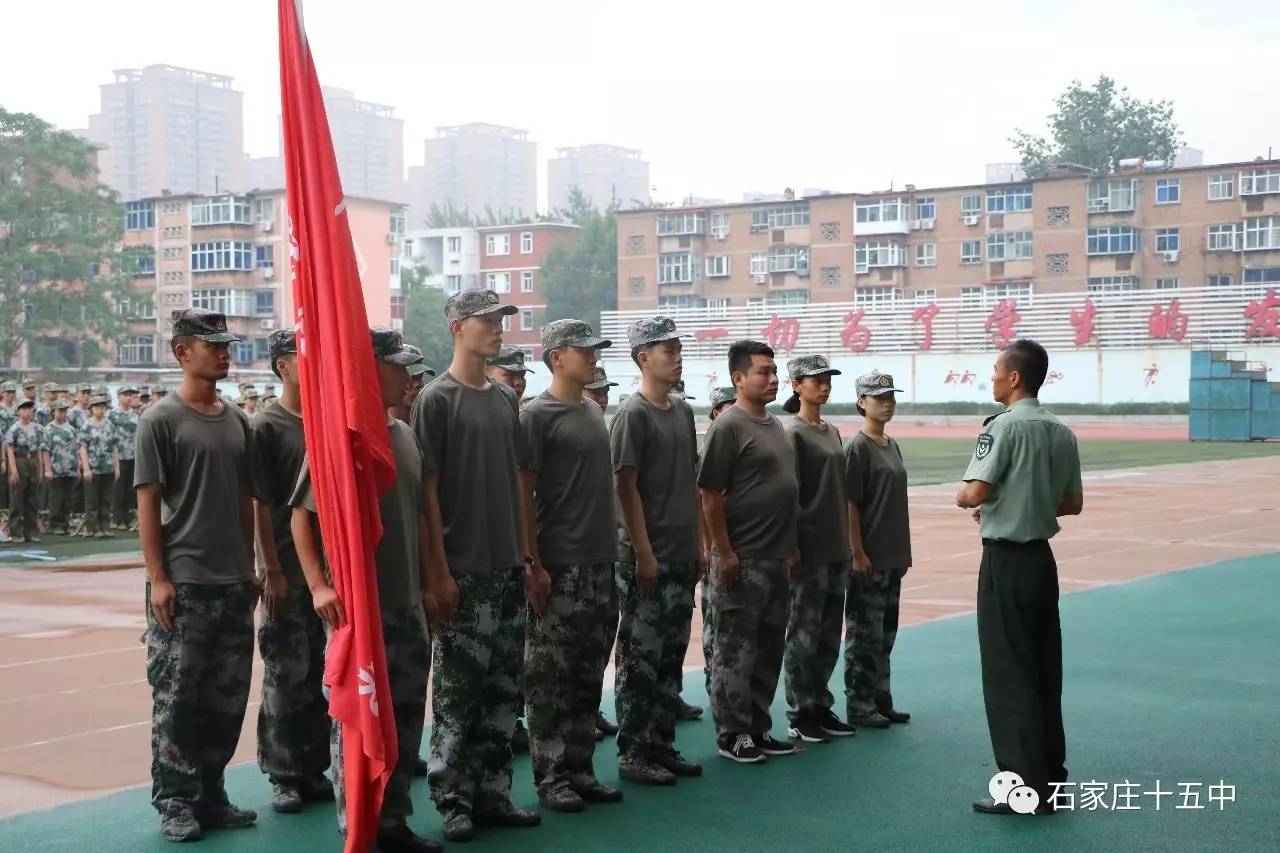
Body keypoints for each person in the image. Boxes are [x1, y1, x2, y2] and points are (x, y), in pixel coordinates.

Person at [291, 327, 442, 853]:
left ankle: (394, 822)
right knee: (358, 727)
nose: (409, 378)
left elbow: (419, 519)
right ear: (369, 370)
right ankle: (358, 830)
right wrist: (317, 586)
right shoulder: (345, 438)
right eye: (398, 366)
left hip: (405, 604)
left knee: (403, 720)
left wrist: (430, 581)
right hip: (364, 609)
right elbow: (301, 519)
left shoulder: (402, 434)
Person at [412, 288, 540, 843]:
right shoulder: (436, 400)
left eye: (501, 320)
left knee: (503, 691)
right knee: (457, 694)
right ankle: (453, 797)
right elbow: (427, 493)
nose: (498, 330)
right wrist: (437, 572)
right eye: (488, 321)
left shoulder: (504, 399)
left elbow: (519, 485)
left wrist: (528, 559)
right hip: (463, 570)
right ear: (458, 327)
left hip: (508, 566)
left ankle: (494, 792)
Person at [135, 308, 258, 843]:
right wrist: (158, 577)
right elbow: (147, 501)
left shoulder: (237, 421)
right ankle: (176, 802)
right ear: (183, 352)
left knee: (227, 698)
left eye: (227, 345)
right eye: (214, 346)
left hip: (234, 581)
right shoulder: (160, 420)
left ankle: (211, 793)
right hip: (185, 582)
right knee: (177, 701)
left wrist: (256, 565)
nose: (225, 353)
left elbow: (249, 500)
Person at [957, 339, 1083, 816]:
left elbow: (975, 492)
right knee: (1044, 670)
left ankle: (1020, 788)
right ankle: (1052, 781)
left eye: (995, 371)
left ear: (1014, 379)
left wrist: (968, 498)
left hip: (1006, 560)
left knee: (1008, 674)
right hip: (1041, 562)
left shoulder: (1003, 428)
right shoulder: (1061, 430)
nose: (992, 379)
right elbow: (1071, 503)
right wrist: (1029, 502)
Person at [517, 319, 624, 813]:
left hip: (600, 562)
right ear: (556, 357)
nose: (593, 358)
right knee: (550, 678)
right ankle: (552, 775)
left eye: (594, 350)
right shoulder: (537, 415)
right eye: (584, 351)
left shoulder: (589, 411)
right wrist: (532, 562)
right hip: (561, 565)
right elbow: (523, 492)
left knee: (587, 672)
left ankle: (580, 768)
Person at [609, 316, 705, 786]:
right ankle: (634, 752)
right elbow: (624, 488)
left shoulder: (682, 412)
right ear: (644, 358)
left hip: (681, 553)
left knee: (670, 656)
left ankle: (661, 744)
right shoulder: (633, 414)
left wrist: (699, 544)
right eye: (667, 349)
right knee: (639, 659)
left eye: (678, 347)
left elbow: (690, 481)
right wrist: (643, 552)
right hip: (646, 558)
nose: (677, 355)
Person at [698, 340, 799, 764]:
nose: (772, 379)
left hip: (776, 558)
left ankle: (759, 727)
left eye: (774, 371)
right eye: (763, 372)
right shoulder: (729, 426)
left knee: (769, 647)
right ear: (738, 379)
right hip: (743, 557)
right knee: (734, 650)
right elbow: (709, 494)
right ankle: (733, 733)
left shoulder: (775, 426)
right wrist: (725, 551)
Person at [249, 329, 335, 816]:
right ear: (282, 365)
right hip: (287, 567)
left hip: (327, 570)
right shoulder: (269, 425)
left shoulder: (326, 421)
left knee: (320, 673)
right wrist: (271, 569)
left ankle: (312, 766)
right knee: (285, 673)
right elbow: (261, 503)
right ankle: (282, 774)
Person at [779, 355, 858, 744]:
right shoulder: (792, 433)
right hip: (807, 548)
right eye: (815, 380)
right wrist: (791, 543)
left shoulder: (831, 431)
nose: (823, 386)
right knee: (803, 634)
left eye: (827, 379)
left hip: (834, 546)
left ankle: (820, 705)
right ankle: (800, 711)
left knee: (828, 632)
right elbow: (788, 492)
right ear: (796, 385)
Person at [843, 370, 913, 731]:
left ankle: (881, 699)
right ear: (861, 402)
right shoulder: (857, 447)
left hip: (893, 554)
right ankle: (858, 702)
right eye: (878, 397)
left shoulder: (891, 444)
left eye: (890, 397)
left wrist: (902, 555)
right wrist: (856, 551)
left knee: (886, 633)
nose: (887, 403)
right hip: (868, 556)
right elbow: (851, 503)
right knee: (863, 634)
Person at [698, 386, 736, 698]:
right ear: (715, 412)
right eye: (726, 405)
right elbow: (703, 502)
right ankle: (714, 680)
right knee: (714, 618)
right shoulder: (709, 449)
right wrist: (707, 546)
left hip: (740, 545)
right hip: (715, 548)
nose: (732, 409)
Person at [78, 394, 121, 538]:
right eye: (97, 407)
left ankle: (105, 526)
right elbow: (83, 447)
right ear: (91, 409)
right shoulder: (87, 425)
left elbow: (114, 447)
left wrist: (117, 467)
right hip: (93, 467)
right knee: (92, 500)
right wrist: (86, 468)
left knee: (106, 499)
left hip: (107, 467)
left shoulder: (110, 425)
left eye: (103, 407)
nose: (100, 410)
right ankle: (93, 528)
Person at [5, 399, 44, 543]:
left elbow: (39, 448)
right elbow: (10, 449)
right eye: (24, 408)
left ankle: (30, 532)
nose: (28, 411)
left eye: (30, 408)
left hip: (32, 460)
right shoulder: (14, 428)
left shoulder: (37, 428)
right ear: (18, 411)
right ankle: (15, 532)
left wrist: (40, 468)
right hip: (19, 461)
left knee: (32, 499)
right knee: (17, 499)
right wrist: (13, 470)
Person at [41, 400, 79, 535]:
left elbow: (76, 449)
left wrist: (78, 467)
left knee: (68, 499)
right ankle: (55, 524)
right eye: (60, 411)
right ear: (53, 412)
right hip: (56, 469)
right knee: (56, 498)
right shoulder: (48, 429)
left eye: (64, 411)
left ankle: (66, 523)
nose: (62, 413)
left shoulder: (71, 429)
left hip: (70, 469)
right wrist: (47, 468)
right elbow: (45, 450)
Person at [110, 384, 141, 531]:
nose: (129, 398)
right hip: (119, 457)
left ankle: (128, 517)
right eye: (126, 394)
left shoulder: (136, 416)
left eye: (131, 395)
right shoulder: (112, 415)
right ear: (119, 397)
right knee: (118, 489)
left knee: (131, 489)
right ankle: (118, 518)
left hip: (133, 456)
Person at [389, 345, 433, 424]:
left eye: (420, 377)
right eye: (412, 377)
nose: (418, 384)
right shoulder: (378, 428)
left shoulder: (427, 427)